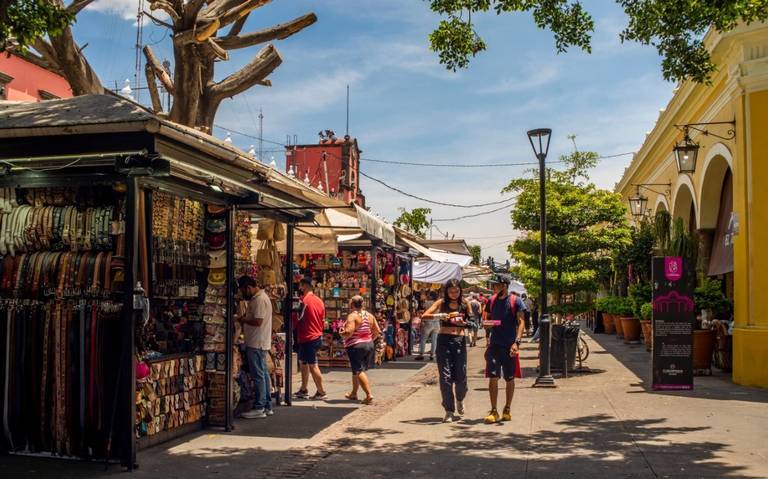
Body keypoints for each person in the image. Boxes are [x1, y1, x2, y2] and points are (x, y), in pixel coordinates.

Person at [421, 279, 472, 423]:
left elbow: (473, 322)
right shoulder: (441, 303)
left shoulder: (465, 303)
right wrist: (441, 316)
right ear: (446, 291)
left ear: (460, 291)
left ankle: (460, 399)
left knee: (461, 376)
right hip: (443, 341)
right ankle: (449, 410)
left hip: (459, 340)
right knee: (445, 377)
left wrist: (465, 323)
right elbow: (424, 316)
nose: (454, 294)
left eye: (456, 291)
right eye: (451, 291)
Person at [482, 276, 526, 424]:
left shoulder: (515, 301)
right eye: (493, 285)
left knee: (509, 378)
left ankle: (507, 408)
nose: (494, 287)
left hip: (509, 346)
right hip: (494, 345)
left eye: (497, 285)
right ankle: (493, 410)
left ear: (505, 286)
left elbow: (521, 322)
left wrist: (517, 342)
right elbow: (485, 321)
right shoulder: (491, 301)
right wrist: (493, 323)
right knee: (493, 377)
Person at [236, 276, 274, 419]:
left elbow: (258, 321)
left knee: (258, 375)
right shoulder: (260, 298)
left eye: (243, 290)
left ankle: (260, 407)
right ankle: (267, 405)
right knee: (262, 374)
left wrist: (241, 319)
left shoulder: (259, 300)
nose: (243, 293)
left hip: (257, 342)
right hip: (259, 342)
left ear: (248, 288)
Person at [340, 295, 381, 405]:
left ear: (352, 304)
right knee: (356, 370)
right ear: (362, 304)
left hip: (356, 346)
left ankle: (368, 395)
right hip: (369, 345)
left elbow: (349, 332)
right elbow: (377, 331)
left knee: (358, 371)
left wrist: (341, 333)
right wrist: (369, 340)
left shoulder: (352, 316)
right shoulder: (369, 316)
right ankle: (354, 393)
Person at [294, 276, 327, 400]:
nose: (299, 287)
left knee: (313, 365)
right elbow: (323, 319)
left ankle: (321, 392)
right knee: (304, 362)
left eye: (301, 285)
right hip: (315, 335)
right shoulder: (319, 300)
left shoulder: (304, 301)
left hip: (308, 336)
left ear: (304, 286)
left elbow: (297, 319)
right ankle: (304, 388)